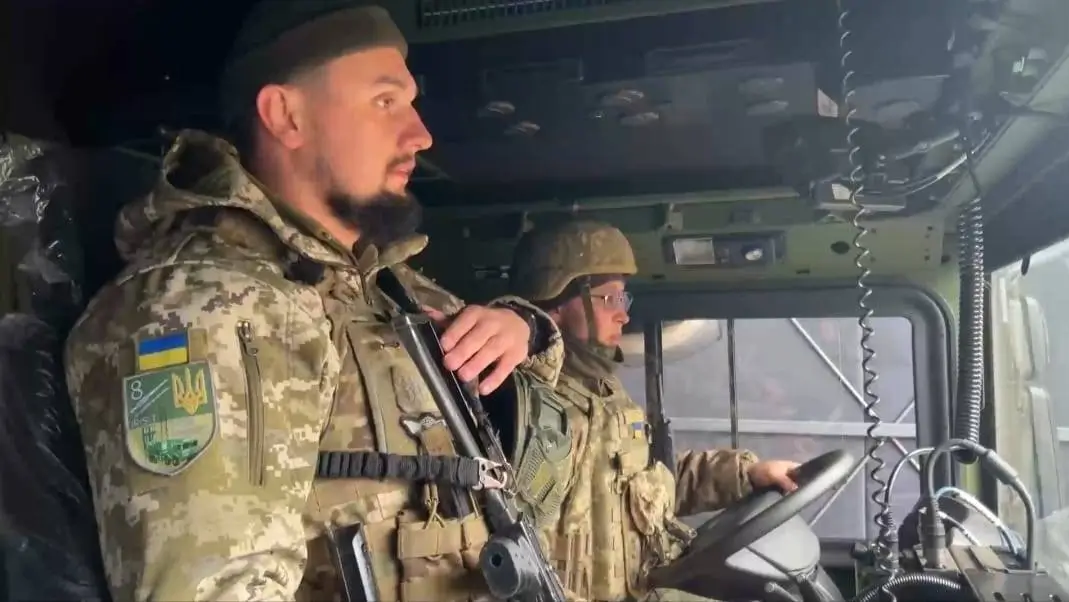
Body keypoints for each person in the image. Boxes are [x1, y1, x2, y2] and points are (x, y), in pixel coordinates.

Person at [63, 3, 569, 601]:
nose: (420, 134)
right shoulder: (208, 307)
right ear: (286, 115)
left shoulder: (381, 283)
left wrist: (525, 326)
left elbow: (547, 391)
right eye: (386, 102)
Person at [504, 219, 802, 602]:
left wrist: (748, 473)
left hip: (646, 587)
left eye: (623, 300)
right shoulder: (523, 404)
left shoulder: (606, 394)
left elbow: (651, 482)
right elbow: (511, 547)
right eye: (608, 299)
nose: (623, 315)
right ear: (556, 304)